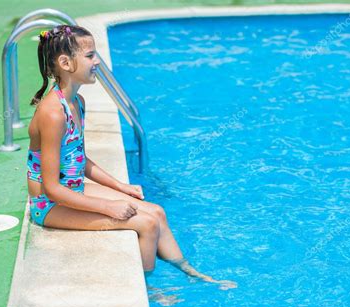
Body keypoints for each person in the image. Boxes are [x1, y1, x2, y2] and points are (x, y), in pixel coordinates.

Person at [27, 24, 236, 290]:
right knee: (146, 224)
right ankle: (150, 290)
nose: (97, 61)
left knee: (157, 212)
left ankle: (192, 274)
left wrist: (120, 187)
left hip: (74, 189)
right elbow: (51, 188)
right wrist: (108, 206)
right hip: (49, 205)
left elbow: (80, 158)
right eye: (90, 55)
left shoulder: (77, 103)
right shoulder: (53, 113)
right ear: (66, 63)